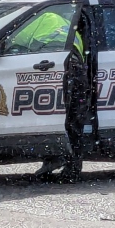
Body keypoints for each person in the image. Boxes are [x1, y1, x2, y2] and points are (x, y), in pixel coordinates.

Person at [16, 11, 94, 183]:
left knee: (57, 119)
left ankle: (65, 163)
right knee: (72, 121)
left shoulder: (35, 20)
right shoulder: (63, 24)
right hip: (75, 70)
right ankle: (67, 163)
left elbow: (17, 45)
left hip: (66, 71)